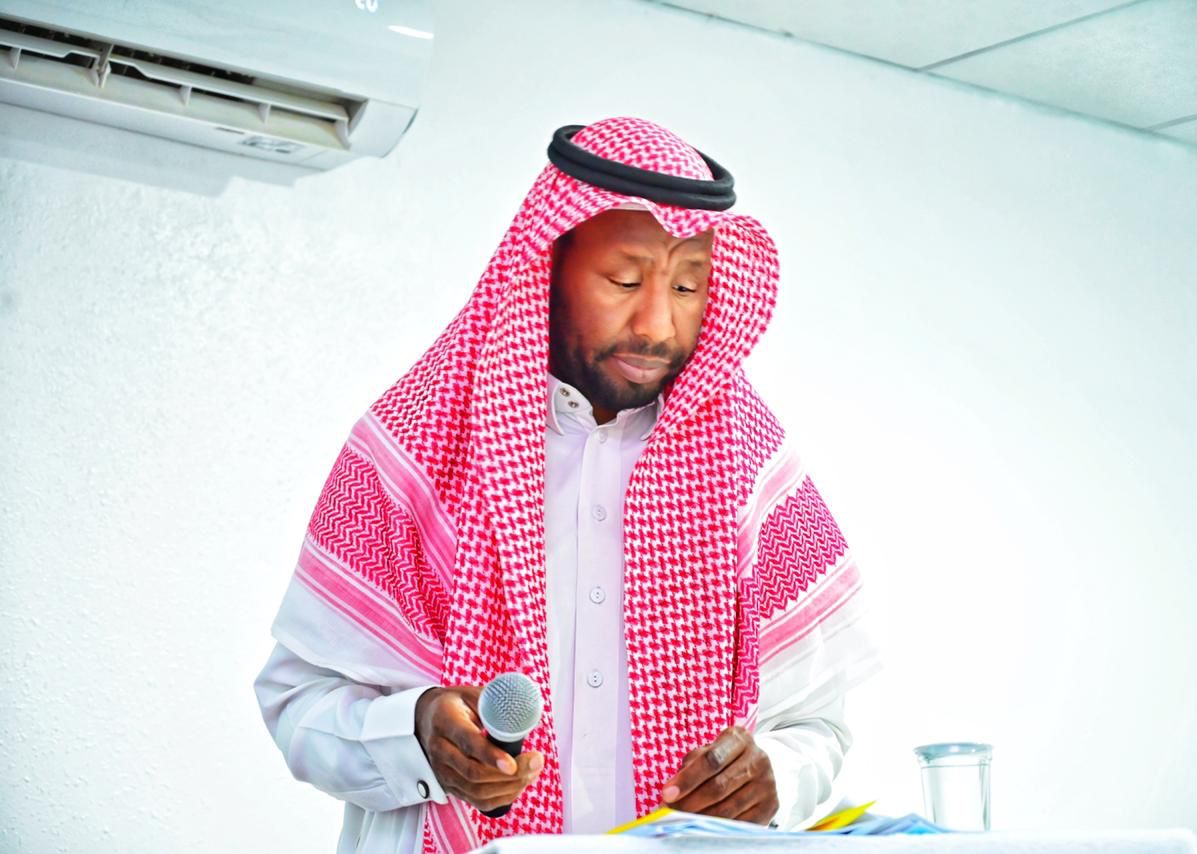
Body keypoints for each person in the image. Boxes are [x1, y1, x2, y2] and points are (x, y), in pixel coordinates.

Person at [254, 117, 880, 853]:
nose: (657, 325)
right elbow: (297, 699)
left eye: (687, 287)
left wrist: (775, 776)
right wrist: (414, 735)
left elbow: (817, 724)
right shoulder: (415, 445)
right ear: (547, 264)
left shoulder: (752, 467)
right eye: (624, 281)